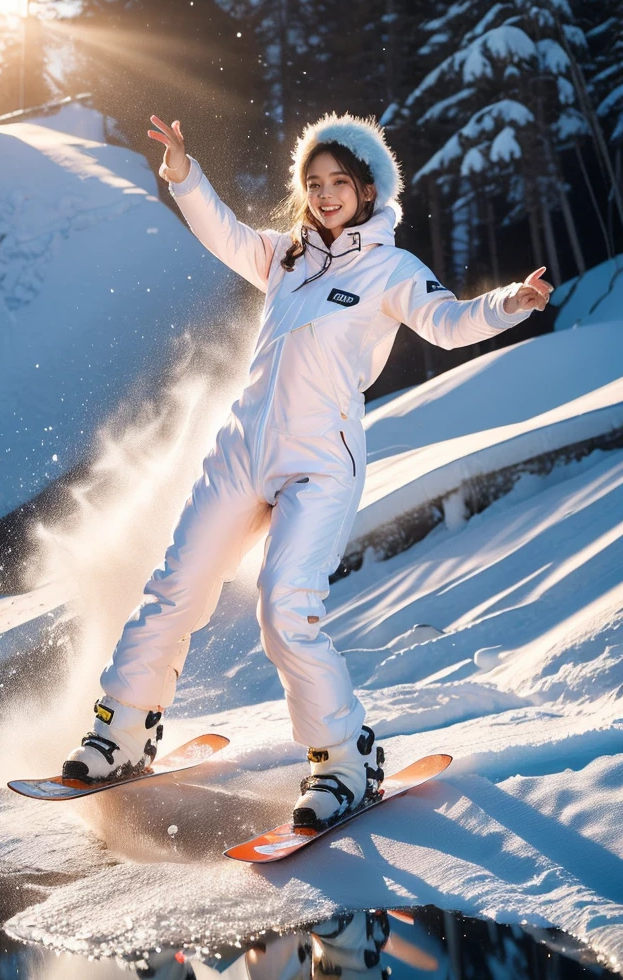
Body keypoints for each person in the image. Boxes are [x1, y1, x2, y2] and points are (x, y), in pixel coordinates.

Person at [63, 111, 552, 829]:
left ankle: (344, 762)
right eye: (314, 183)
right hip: (242, 451)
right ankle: (123, 730)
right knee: (176, 586)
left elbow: (448, 324)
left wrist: (511, 301)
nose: (325, 195)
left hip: (321, 461)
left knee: (285, 611)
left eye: (339, 183)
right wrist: (183, 175)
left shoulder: (390, 268)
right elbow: (226, 233)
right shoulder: (287, 257)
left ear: (367, 189)